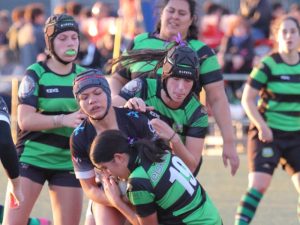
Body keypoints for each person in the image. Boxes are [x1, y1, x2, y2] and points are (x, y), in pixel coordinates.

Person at [109, 0, 240, 176]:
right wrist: (121, 104)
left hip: (179, 144)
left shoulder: (202, 52)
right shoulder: (140, 42)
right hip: (135, 138)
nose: (175, 17)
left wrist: (229, 142)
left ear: (192, 19)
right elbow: (117, 79)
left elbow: (217, 98)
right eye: (171, 11)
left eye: (182, 13)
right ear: (162, 12)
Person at [2, 14, 87, 225]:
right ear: (50, 43)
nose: (70, 43)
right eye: (63, 38)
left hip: (68, 162)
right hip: (31, 159)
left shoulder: (85, 77)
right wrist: (62, 120)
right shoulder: (36, 73)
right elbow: (25, 120)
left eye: (74, 38)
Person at [70, 69, 159, 225]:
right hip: (108, 193)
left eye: (97, 93)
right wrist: (116, 200)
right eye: (84, 97)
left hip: (145, 187)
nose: (92, 100)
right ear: (79, 103)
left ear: (108, 93)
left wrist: (133, 198)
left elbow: (161, 161)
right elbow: (90, 188)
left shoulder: (134, 118)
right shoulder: (79, 137)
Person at [235, 16, 300, 224]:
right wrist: (262, 126)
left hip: (296, 136)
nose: (289, 36)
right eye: (284, 32)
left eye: (293, 31)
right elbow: (247, 99)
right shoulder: (268, 64)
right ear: (276, 36)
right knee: (259, 184)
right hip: (267, 133)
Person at [89, 129, 223, 225]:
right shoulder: (156, 151)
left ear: (119, 158)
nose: (107, 174)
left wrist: (116, 202)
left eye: (105, 168)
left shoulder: (138, 181)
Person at [113, 44, 208, 175]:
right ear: (165, 76)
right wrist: (125, 110)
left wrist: (173, 138)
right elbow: (105, 116)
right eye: (176, 78)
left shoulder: (198, 113)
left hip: (170, 176)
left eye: (187, 80)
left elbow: (191, 167)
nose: (181, 87)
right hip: (131, 167)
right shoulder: (140, 88)